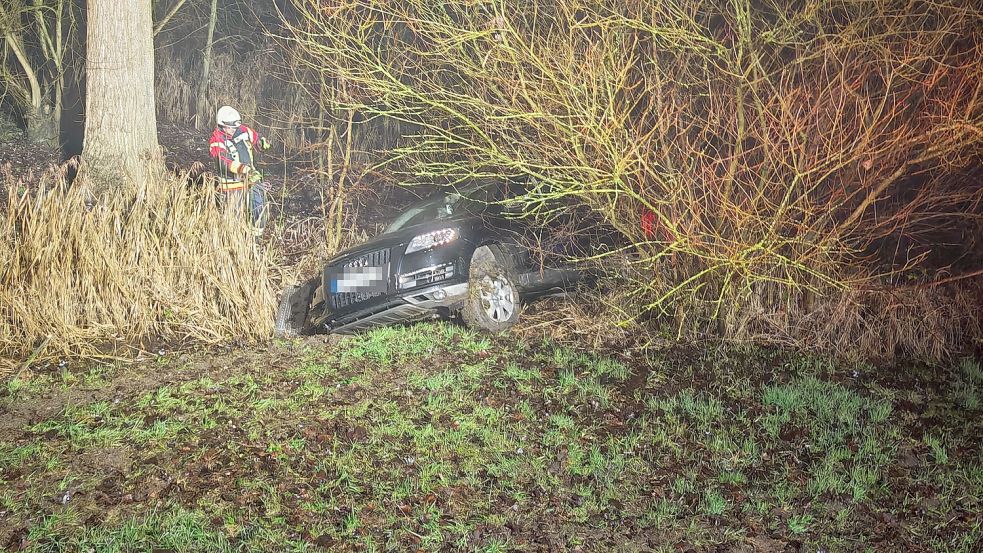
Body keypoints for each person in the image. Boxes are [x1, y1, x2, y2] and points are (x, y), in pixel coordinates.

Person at [208, 105, 272, 233]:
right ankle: (233, 243)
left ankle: (255, 240)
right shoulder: (216, 140)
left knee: (259, 209)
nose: (233, 130)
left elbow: (255, 137)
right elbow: (223, 162)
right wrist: (243, 169)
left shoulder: (243, 130)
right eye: (230, 127)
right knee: (233, 217)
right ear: (221, 125)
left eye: (235, 126)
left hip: (252, 179)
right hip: (231, 185)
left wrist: (261, 142)